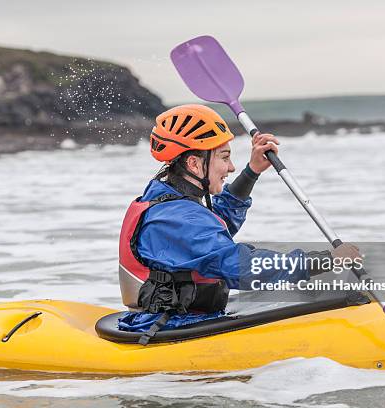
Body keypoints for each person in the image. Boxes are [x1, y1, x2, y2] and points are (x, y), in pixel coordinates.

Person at [118, 104, 360, 343]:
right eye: (224, 158)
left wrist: (252, 171)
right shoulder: (177, 218)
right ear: (193, 164)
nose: (231, 167)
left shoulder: (168, 199)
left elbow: (214, 225)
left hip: (180, 318)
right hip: (173, 327)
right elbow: (241, 266)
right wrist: (324, 260)